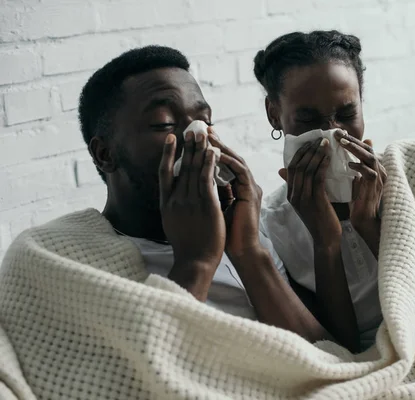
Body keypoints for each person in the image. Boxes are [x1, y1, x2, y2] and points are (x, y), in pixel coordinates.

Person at [7, 45, 334, 345]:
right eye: (163, 123)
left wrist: (248, 253)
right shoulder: (59, 259)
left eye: (205, 121)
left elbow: (327, 360)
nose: (198, 137)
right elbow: (130, 381)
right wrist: (196, 261)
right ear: (105, 154)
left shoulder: (245, 227)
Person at [255, 31, 386, 350]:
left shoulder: (405, 181)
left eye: (346, 114)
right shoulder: (271, 228)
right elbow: (338, 347)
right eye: (309, 119)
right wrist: (325, 241)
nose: (332, 134)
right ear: (275, 114)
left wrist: (369, 223)